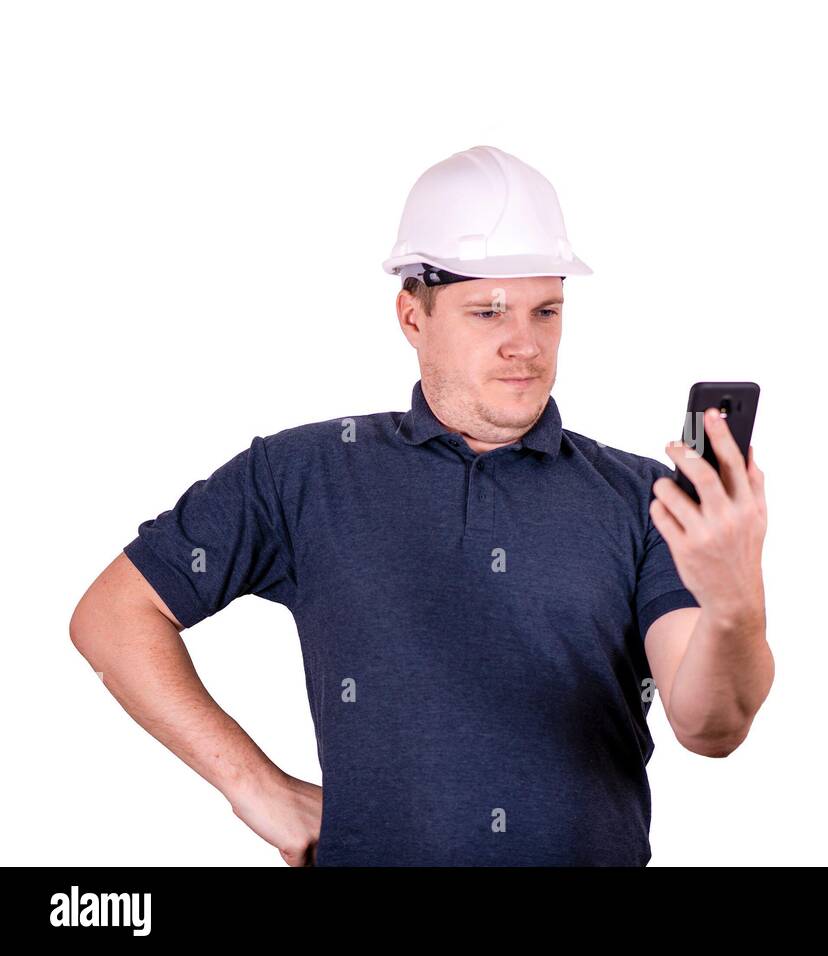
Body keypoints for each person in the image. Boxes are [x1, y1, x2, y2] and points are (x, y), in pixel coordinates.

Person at [69, 145, 773, 866]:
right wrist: (255, 787)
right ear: (413, 315)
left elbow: (709, 726)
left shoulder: (643, 499)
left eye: (546, 310)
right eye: (486, 312)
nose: (523, 345)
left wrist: (735, 604)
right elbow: (113, 617)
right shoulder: (304, 474)